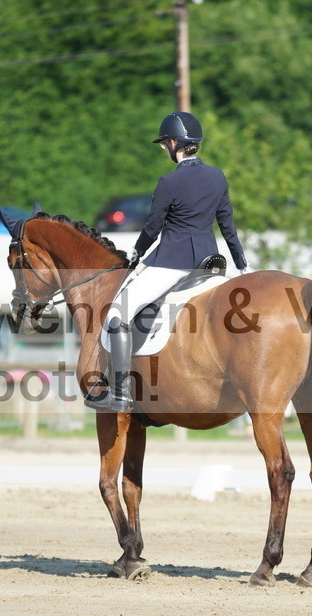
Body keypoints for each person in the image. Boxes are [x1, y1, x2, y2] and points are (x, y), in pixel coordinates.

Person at [91, 111, 249, 413]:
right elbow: (227, 224)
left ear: (175, 143)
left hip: (172, 262)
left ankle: (120, 392)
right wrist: (241, 263)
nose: (164, 149)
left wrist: (136, 252)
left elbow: (153, 226)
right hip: (209, 260)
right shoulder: (217, 176)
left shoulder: (169, 181)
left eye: (165, 144)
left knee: (117, 314)